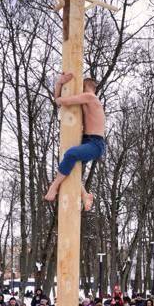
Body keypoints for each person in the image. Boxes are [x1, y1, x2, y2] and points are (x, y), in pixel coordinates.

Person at [44, 72, 107, 212]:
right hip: (88, 141)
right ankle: (85, 195)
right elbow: (60, 101)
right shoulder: (86, 100)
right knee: (70, 168)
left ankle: (54, 186)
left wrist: (60, 85)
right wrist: (59, 83)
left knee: (71, 154)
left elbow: (62, 101)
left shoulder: (90, 97)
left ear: (85, 86)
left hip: (95, 143)